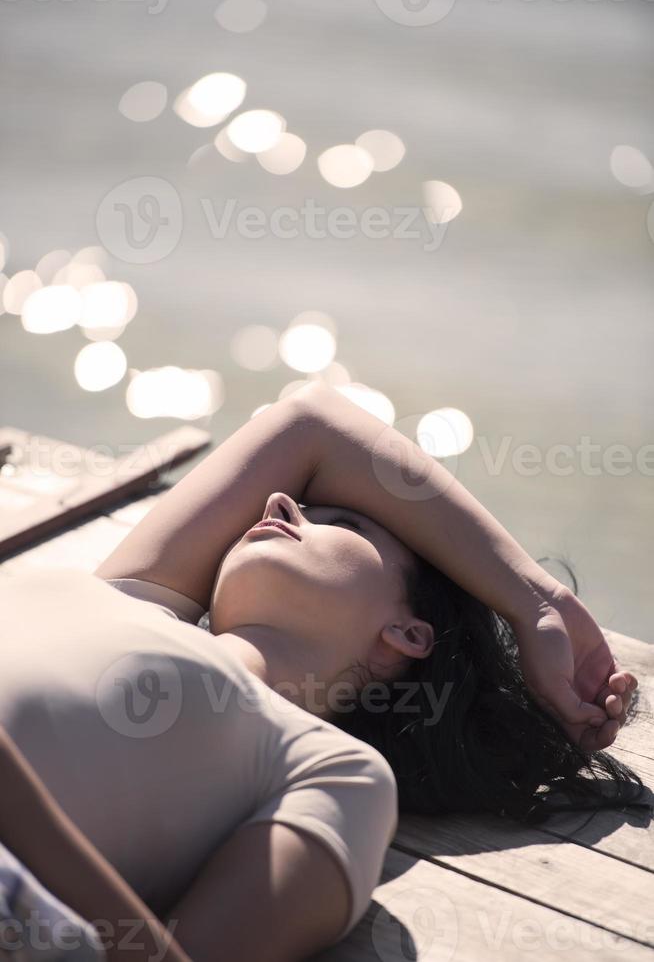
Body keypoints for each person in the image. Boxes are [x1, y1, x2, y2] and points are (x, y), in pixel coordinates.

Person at [0, 380, 644, 961]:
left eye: (338, 520)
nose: (280, 499)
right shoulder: (129, 596)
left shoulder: (332, 773)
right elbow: (313, 424)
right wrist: (537, 600)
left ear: (408, 633)